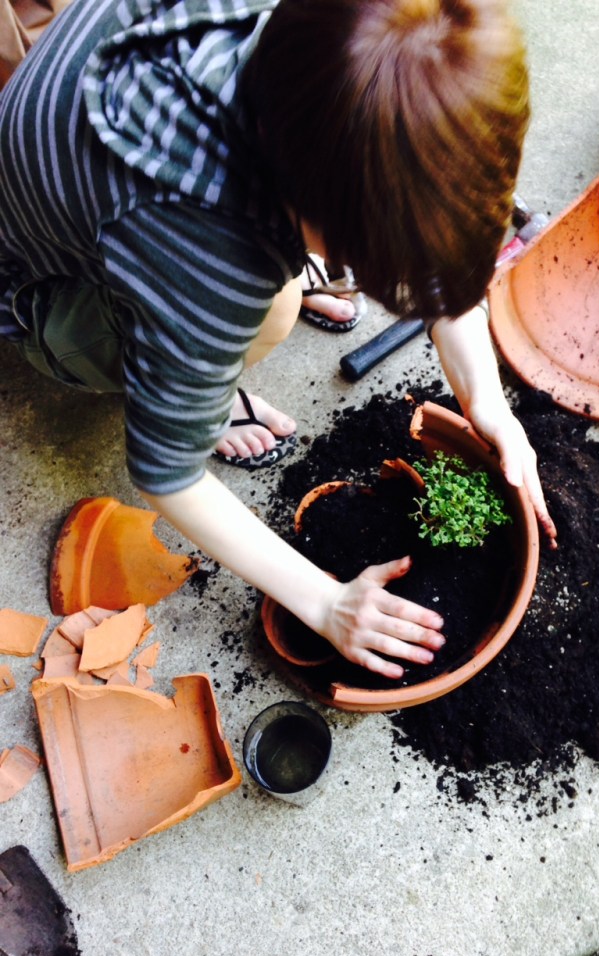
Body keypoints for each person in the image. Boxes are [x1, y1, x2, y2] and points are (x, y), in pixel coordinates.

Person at [0, 0, 556, 679]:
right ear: (307, 209)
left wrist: (486, 402)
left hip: (82, 146)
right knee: (272, 308)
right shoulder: (206, 251)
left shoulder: (334, 36)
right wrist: (325, 602)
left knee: (267, 291)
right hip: (44, 290)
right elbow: (167, 474)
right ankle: (207, 386)